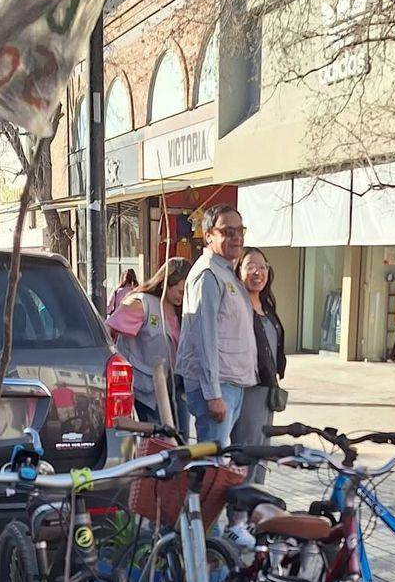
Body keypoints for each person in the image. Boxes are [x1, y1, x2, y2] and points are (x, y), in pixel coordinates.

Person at [175, 204, 257, 447]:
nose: (237, 237)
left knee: (223, 459)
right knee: (212, 460)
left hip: (231, 383)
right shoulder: (208, 274)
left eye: (240, 231)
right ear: (209, 235)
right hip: (216, 386)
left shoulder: (226, 272)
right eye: (228, 232)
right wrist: (213, 394)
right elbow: (204, 338)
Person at [106, 257, 191, 437]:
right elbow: (108, 330)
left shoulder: (182, 311)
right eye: (180, 291)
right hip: (142, 388)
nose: (182, 297)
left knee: (180, 437)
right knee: (156, 438)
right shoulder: (142, 303)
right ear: (167, 283)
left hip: (172, 386)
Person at [231, 249, 287, 482]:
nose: (258, 272)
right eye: (250, 266)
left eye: (262, 266)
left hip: (267, 386)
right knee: (248, 444)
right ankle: (243, 494)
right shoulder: (238, 304)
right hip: (248, 385)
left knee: (263, 444)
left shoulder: (266, 305)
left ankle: (256, 492)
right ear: (239, 271)